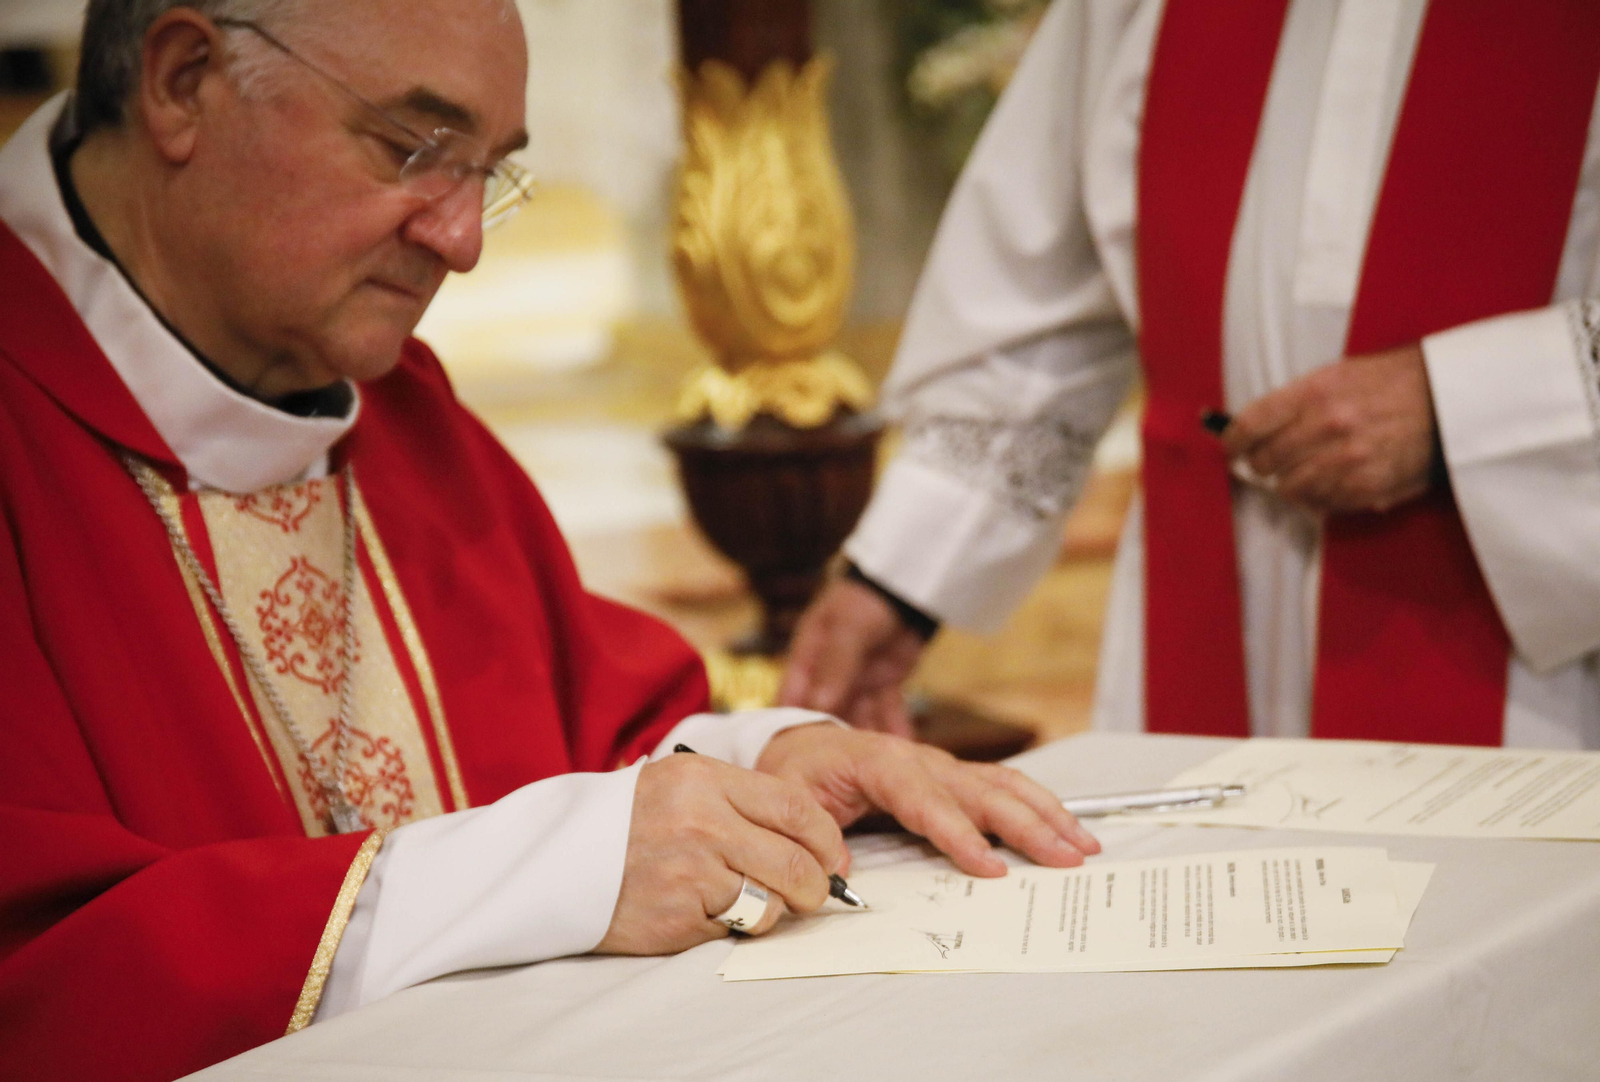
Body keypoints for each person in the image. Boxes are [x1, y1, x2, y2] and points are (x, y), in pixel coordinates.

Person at [0, 2, 1104, 1079]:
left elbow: (593, 740)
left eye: (491, 170)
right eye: (412, 147)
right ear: (183, 80)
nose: (462, 238)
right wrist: (559, 869)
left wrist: (770, 764)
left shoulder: (390, 405)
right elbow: (44, 978)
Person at [781, 0, 1600, 751]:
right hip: (1210, 579)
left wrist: (1473, 405)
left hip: (1530, 616)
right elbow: (1046, 280)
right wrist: (899, 581)